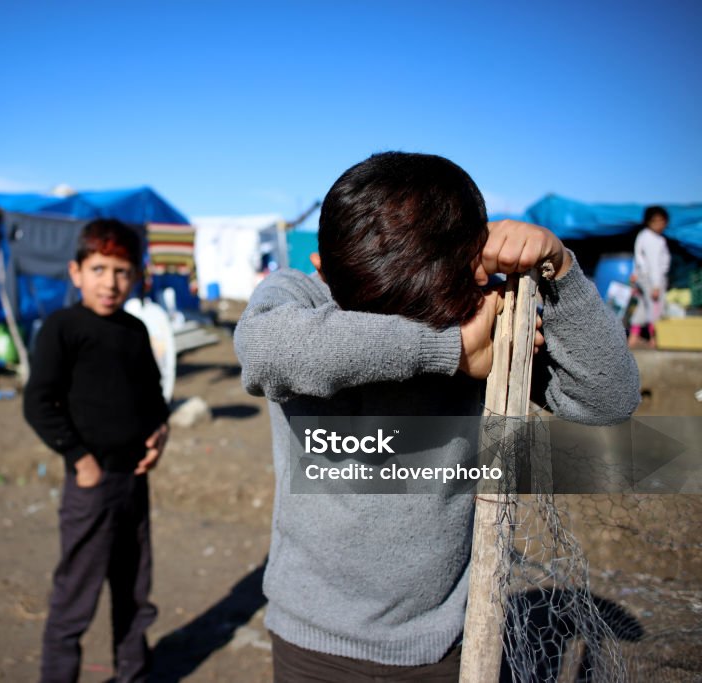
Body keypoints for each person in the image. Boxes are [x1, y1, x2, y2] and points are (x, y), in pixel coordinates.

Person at [233, 152, 640, 681]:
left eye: (423, 312)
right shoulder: (300, 295)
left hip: (446, 641)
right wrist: (446, 349)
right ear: (324, 267)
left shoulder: (477, 312)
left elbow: (607, 398)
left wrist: (559, 271)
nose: (410, 323)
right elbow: (263, 353)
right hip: (313, 637)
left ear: (471, 268)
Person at [24, 218, 170, 683]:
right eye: (99, 268)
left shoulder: (134, 329)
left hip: (134, 483)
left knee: (133, 591)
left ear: (136, 275)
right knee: (75, 598)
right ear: (76, 272)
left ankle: (134, 673)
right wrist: (79, 459)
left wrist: (159, 433)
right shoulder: (62, 328)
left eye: (122, 271)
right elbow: (38, 404)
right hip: (91, 486)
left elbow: (152, 395)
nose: (110, 282)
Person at [628, 205, 671, 348]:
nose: (659, 225)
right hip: (652, 280)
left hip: (642, 277)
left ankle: (633, 338)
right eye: (655, 221)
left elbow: (638, 258)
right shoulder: (654, 240)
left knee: (643, 307)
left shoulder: (643, 236)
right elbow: (654, 265)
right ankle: (655, 339)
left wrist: (635, 274)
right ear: (648, 222)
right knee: (655, 308)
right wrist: (657, 286)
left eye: (661, 221)